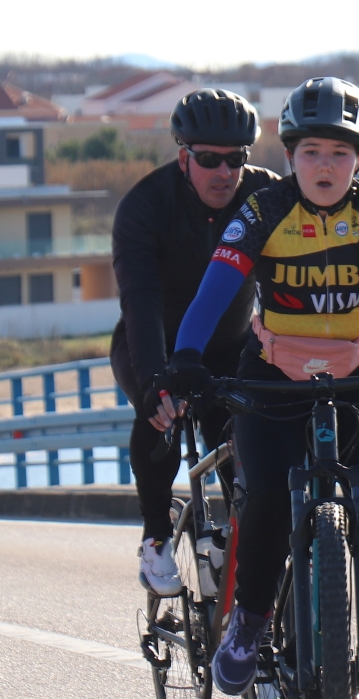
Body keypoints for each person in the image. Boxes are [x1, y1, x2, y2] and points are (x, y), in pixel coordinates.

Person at [164, 77, 359, 699]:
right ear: (289, 157)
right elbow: (213, 291)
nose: (324, 166)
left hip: (357, 370)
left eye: (338, 153)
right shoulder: (263, 210)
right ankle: (250, 622)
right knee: (268, 499)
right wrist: (187, 356)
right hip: (273, 373)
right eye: (311, 153)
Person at [112, 88, 278, 596]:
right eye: (209, 160)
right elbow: (139, 301)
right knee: (161, 412)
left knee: (247, 441)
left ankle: (246, 543)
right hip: (153, 342)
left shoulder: (266, 195)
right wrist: (152, 380)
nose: (224, 172)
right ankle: (156, 536)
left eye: (236, 159)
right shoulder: (145, 205)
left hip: (231, 347)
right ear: (183, 156)